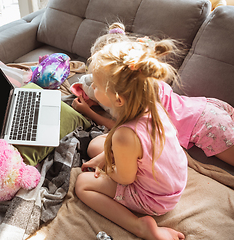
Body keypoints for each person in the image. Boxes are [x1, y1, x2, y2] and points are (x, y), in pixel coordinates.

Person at [72, 23, 234, 169]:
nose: (94, 84)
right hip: (205, 107)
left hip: (207, 125)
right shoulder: (145, 79)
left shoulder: (136, 104)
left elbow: (119, 126)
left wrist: (89, 112)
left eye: (98, 81)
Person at [74, 36, 188, 239]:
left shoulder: (125, 136)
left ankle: (140, 226)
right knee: (94, 146)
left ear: (117, 99)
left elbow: (125, 178)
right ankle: (107, 157)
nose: (93, 89)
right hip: (171, 180)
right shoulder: (150, 104)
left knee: (83, 183)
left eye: (97, 86)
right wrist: (104, 156)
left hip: (155, 198)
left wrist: (107, 166)